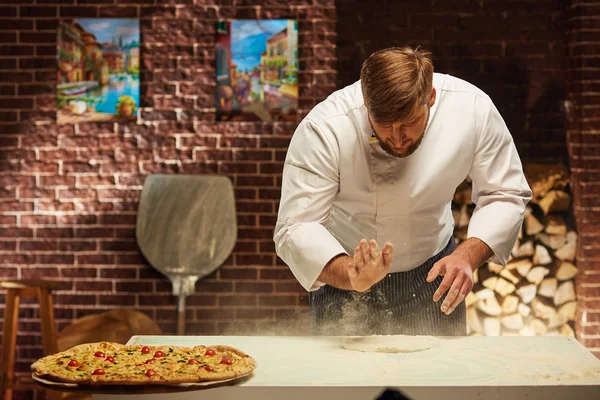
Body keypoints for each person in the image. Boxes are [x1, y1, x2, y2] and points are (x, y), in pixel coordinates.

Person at [273, 46, 532, 336]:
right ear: (366, 104)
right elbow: (296, 225)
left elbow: (505, 193)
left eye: (409, 122)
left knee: (442, 377)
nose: (397, 138)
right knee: (340, 380)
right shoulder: (325, 128)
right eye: (383, 125)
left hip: (436, 277)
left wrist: (467, 256)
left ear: (430, 98)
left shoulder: (472, 109)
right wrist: (351, 273)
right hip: (345, 280)